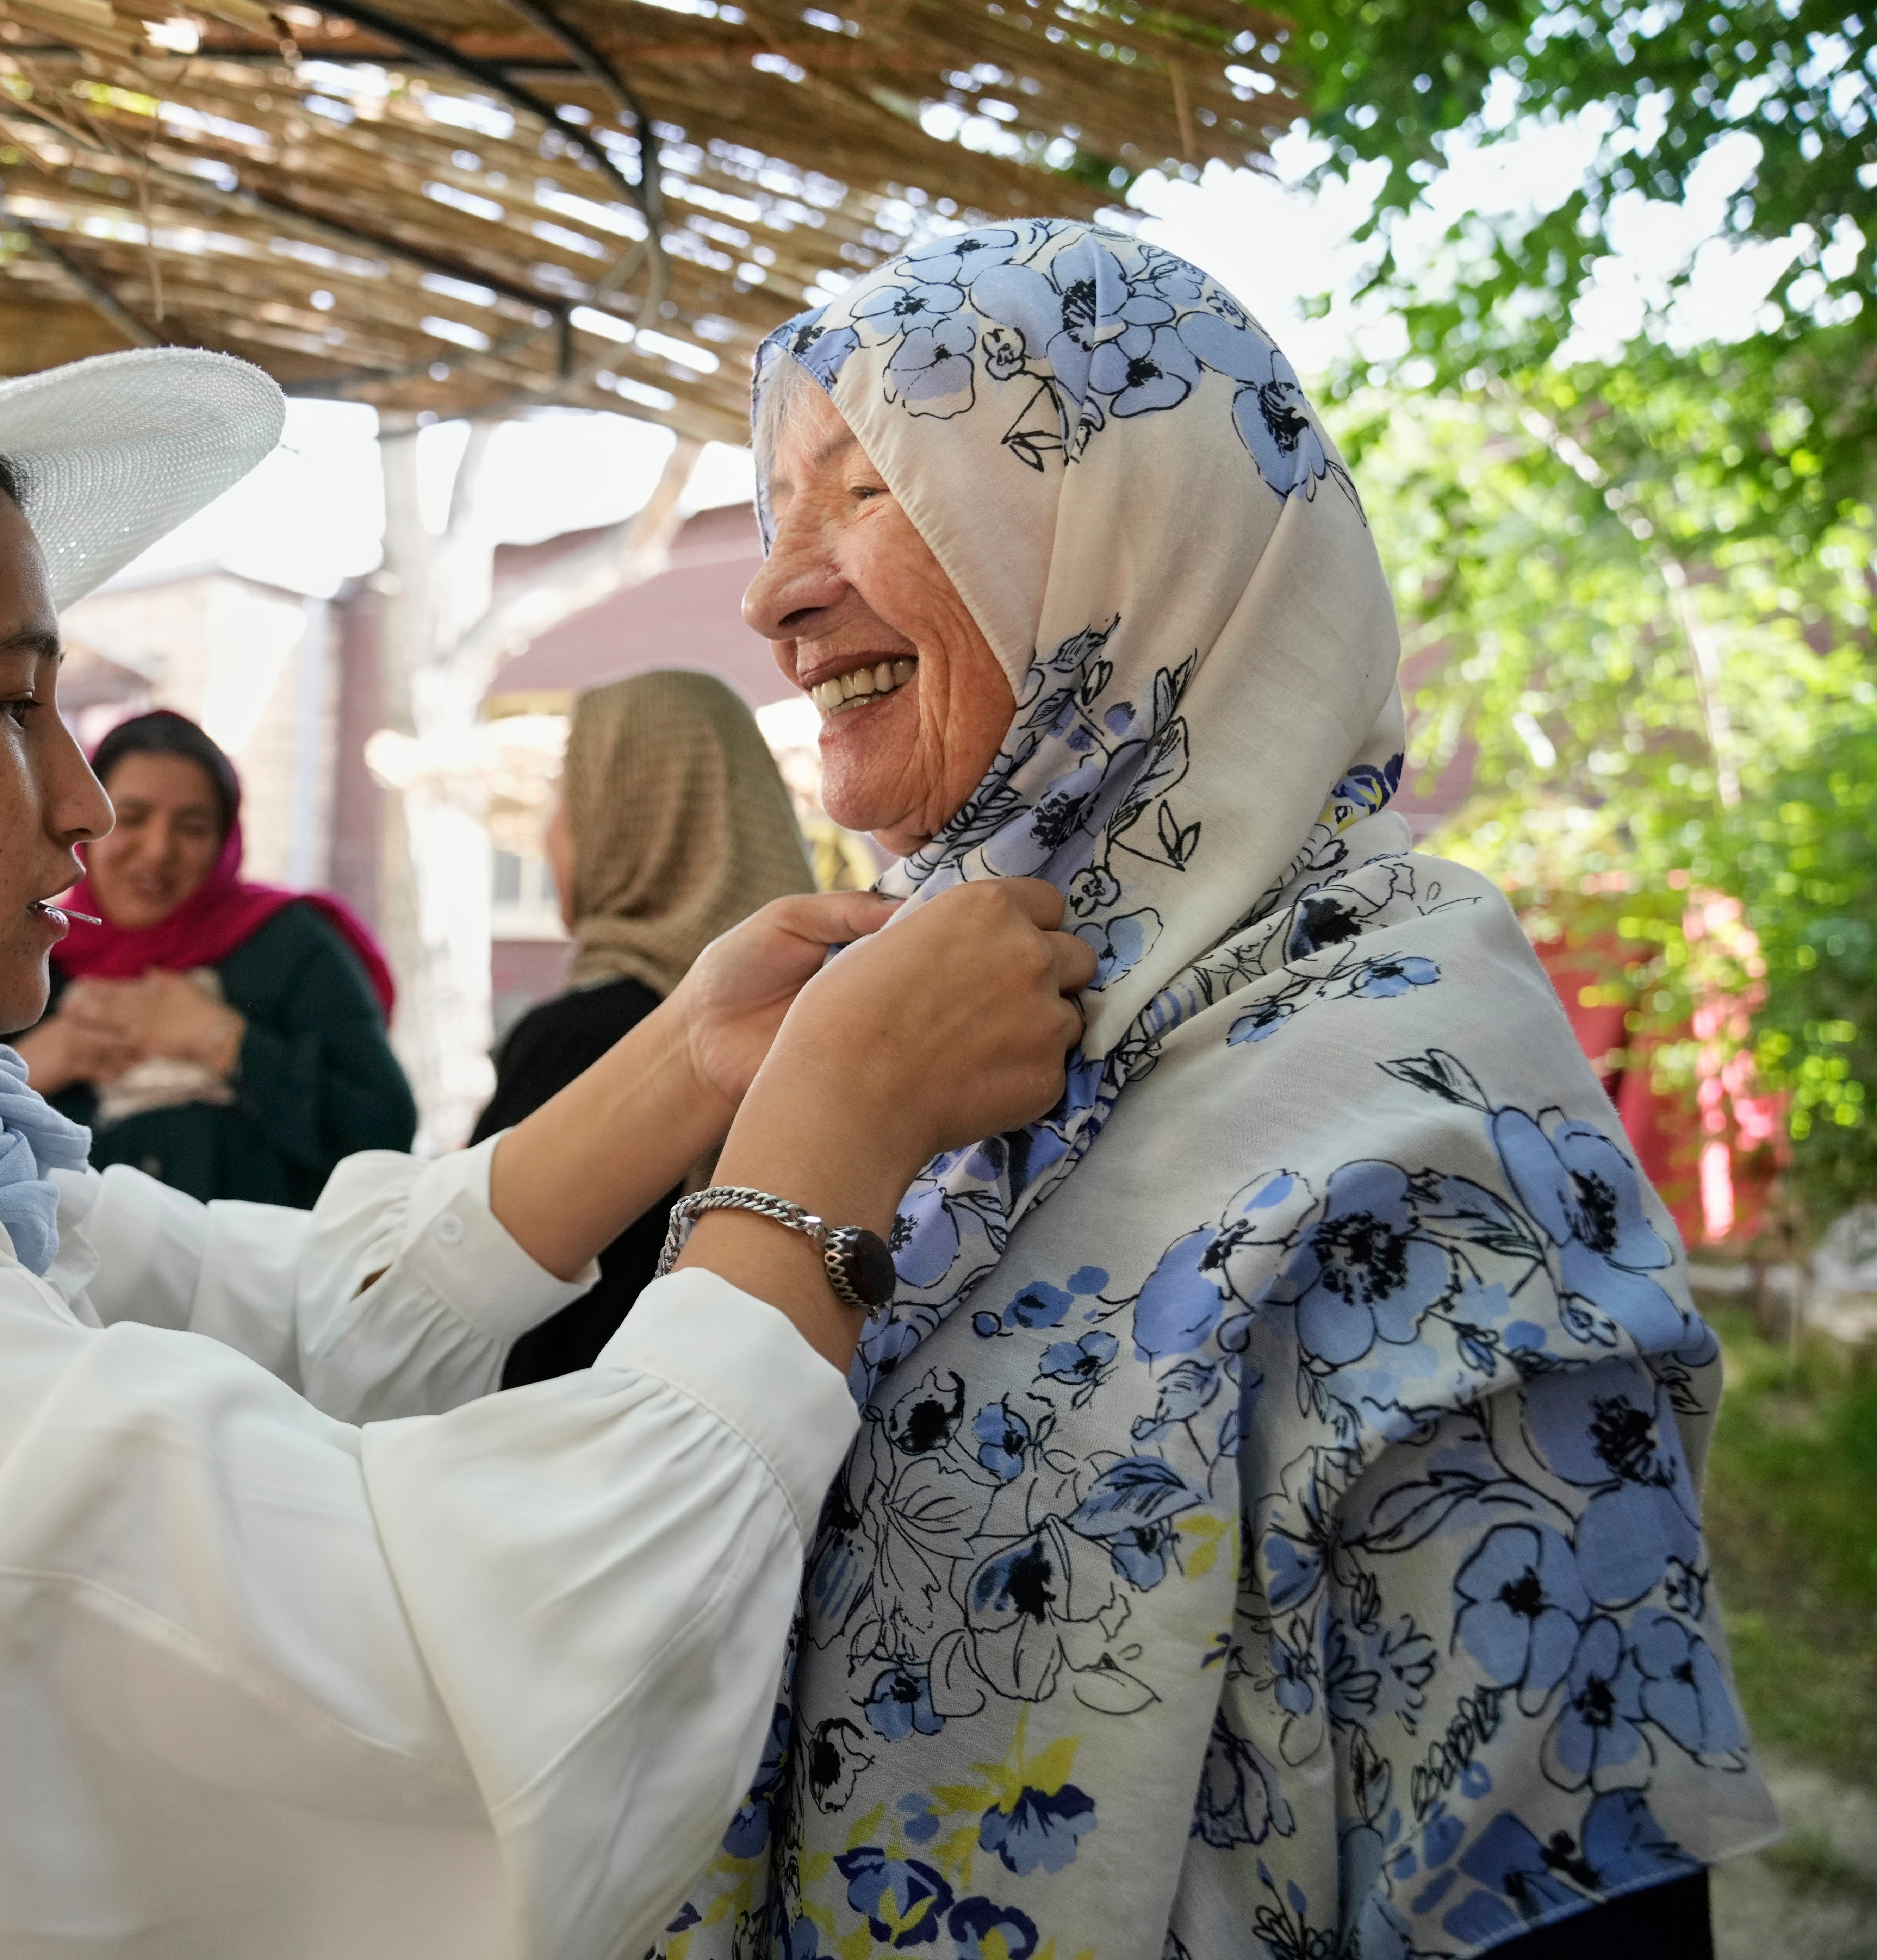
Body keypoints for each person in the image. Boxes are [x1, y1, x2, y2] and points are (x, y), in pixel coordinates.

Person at [0, 297, 1094, 1960]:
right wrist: (820, 1163)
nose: (86, 804)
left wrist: (690, 1068)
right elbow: (428, 1691)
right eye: (14, 707)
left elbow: (264, 1306)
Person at [651, 222, 1776, 1960]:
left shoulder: (1408, 1115)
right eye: (775, 510)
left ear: (1127, 529)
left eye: (868, 488)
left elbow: (1555, 1876)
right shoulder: (919, 1046)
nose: (771, 590)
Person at [472, 669, 817, 1385]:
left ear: (627, 815)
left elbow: (481, 1318)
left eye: (566, 796)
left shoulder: (585, 1038)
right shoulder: (824, 1013)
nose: (548, 833)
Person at [20, 709, 413, 1203]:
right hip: (61, 1275)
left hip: (262, 1274)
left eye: (193, 826)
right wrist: (30, 1066)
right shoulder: (32, 953)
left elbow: (385, 1132)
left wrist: (223, 1039)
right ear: (86, 822)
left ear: (225, 839)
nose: (159, 850)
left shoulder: (290, 946)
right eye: (131, 818)